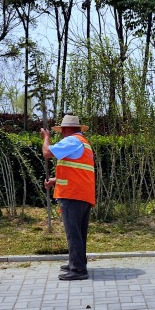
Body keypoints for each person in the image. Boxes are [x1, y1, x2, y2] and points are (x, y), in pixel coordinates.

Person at [41, 115, 96, 281]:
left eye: (61, 131)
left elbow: (47, 152)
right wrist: (54, 180)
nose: (61, 134)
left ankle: (78, 269)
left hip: (72, 195)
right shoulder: (84, 143)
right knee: (78, 232)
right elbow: (77, 171)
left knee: (73, 233)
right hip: (82, 194)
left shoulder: (72, 141)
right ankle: (77, 262)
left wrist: (46, 138)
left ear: (66, 129)